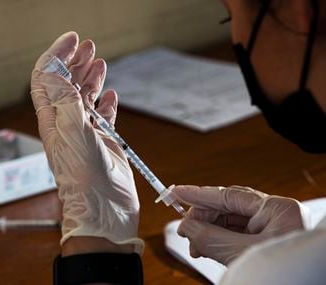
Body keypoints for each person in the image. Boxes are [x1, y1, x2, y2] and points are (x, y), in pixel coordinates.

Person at [30, 0, 326, 284]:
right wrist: (298, 243)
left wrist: (94, 242)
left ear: (299, 10)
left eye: (231, 17)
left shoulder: (280, 274)